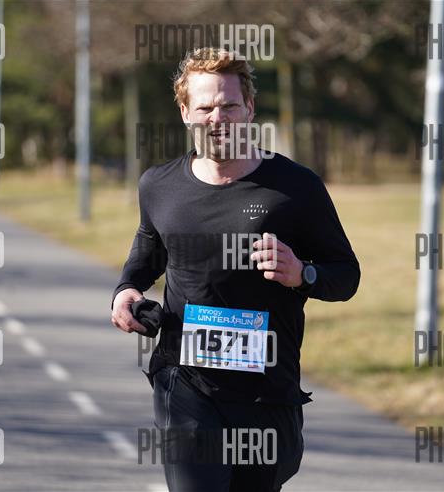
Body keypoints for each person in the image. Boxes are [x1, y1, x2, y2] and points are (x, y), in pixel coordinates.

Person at [111, 48, 360, 492]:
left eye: (228, 105)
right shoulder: (159, 185)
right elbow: (147, 252)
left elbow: (346, 275)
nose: (217, 119)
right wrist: (126, 289)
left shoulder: (295, 188)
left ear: (249, 108)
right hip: (185, 379)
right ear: (185, 113)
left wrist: (302, 274)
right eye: (205, 108)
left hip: (268, 388)